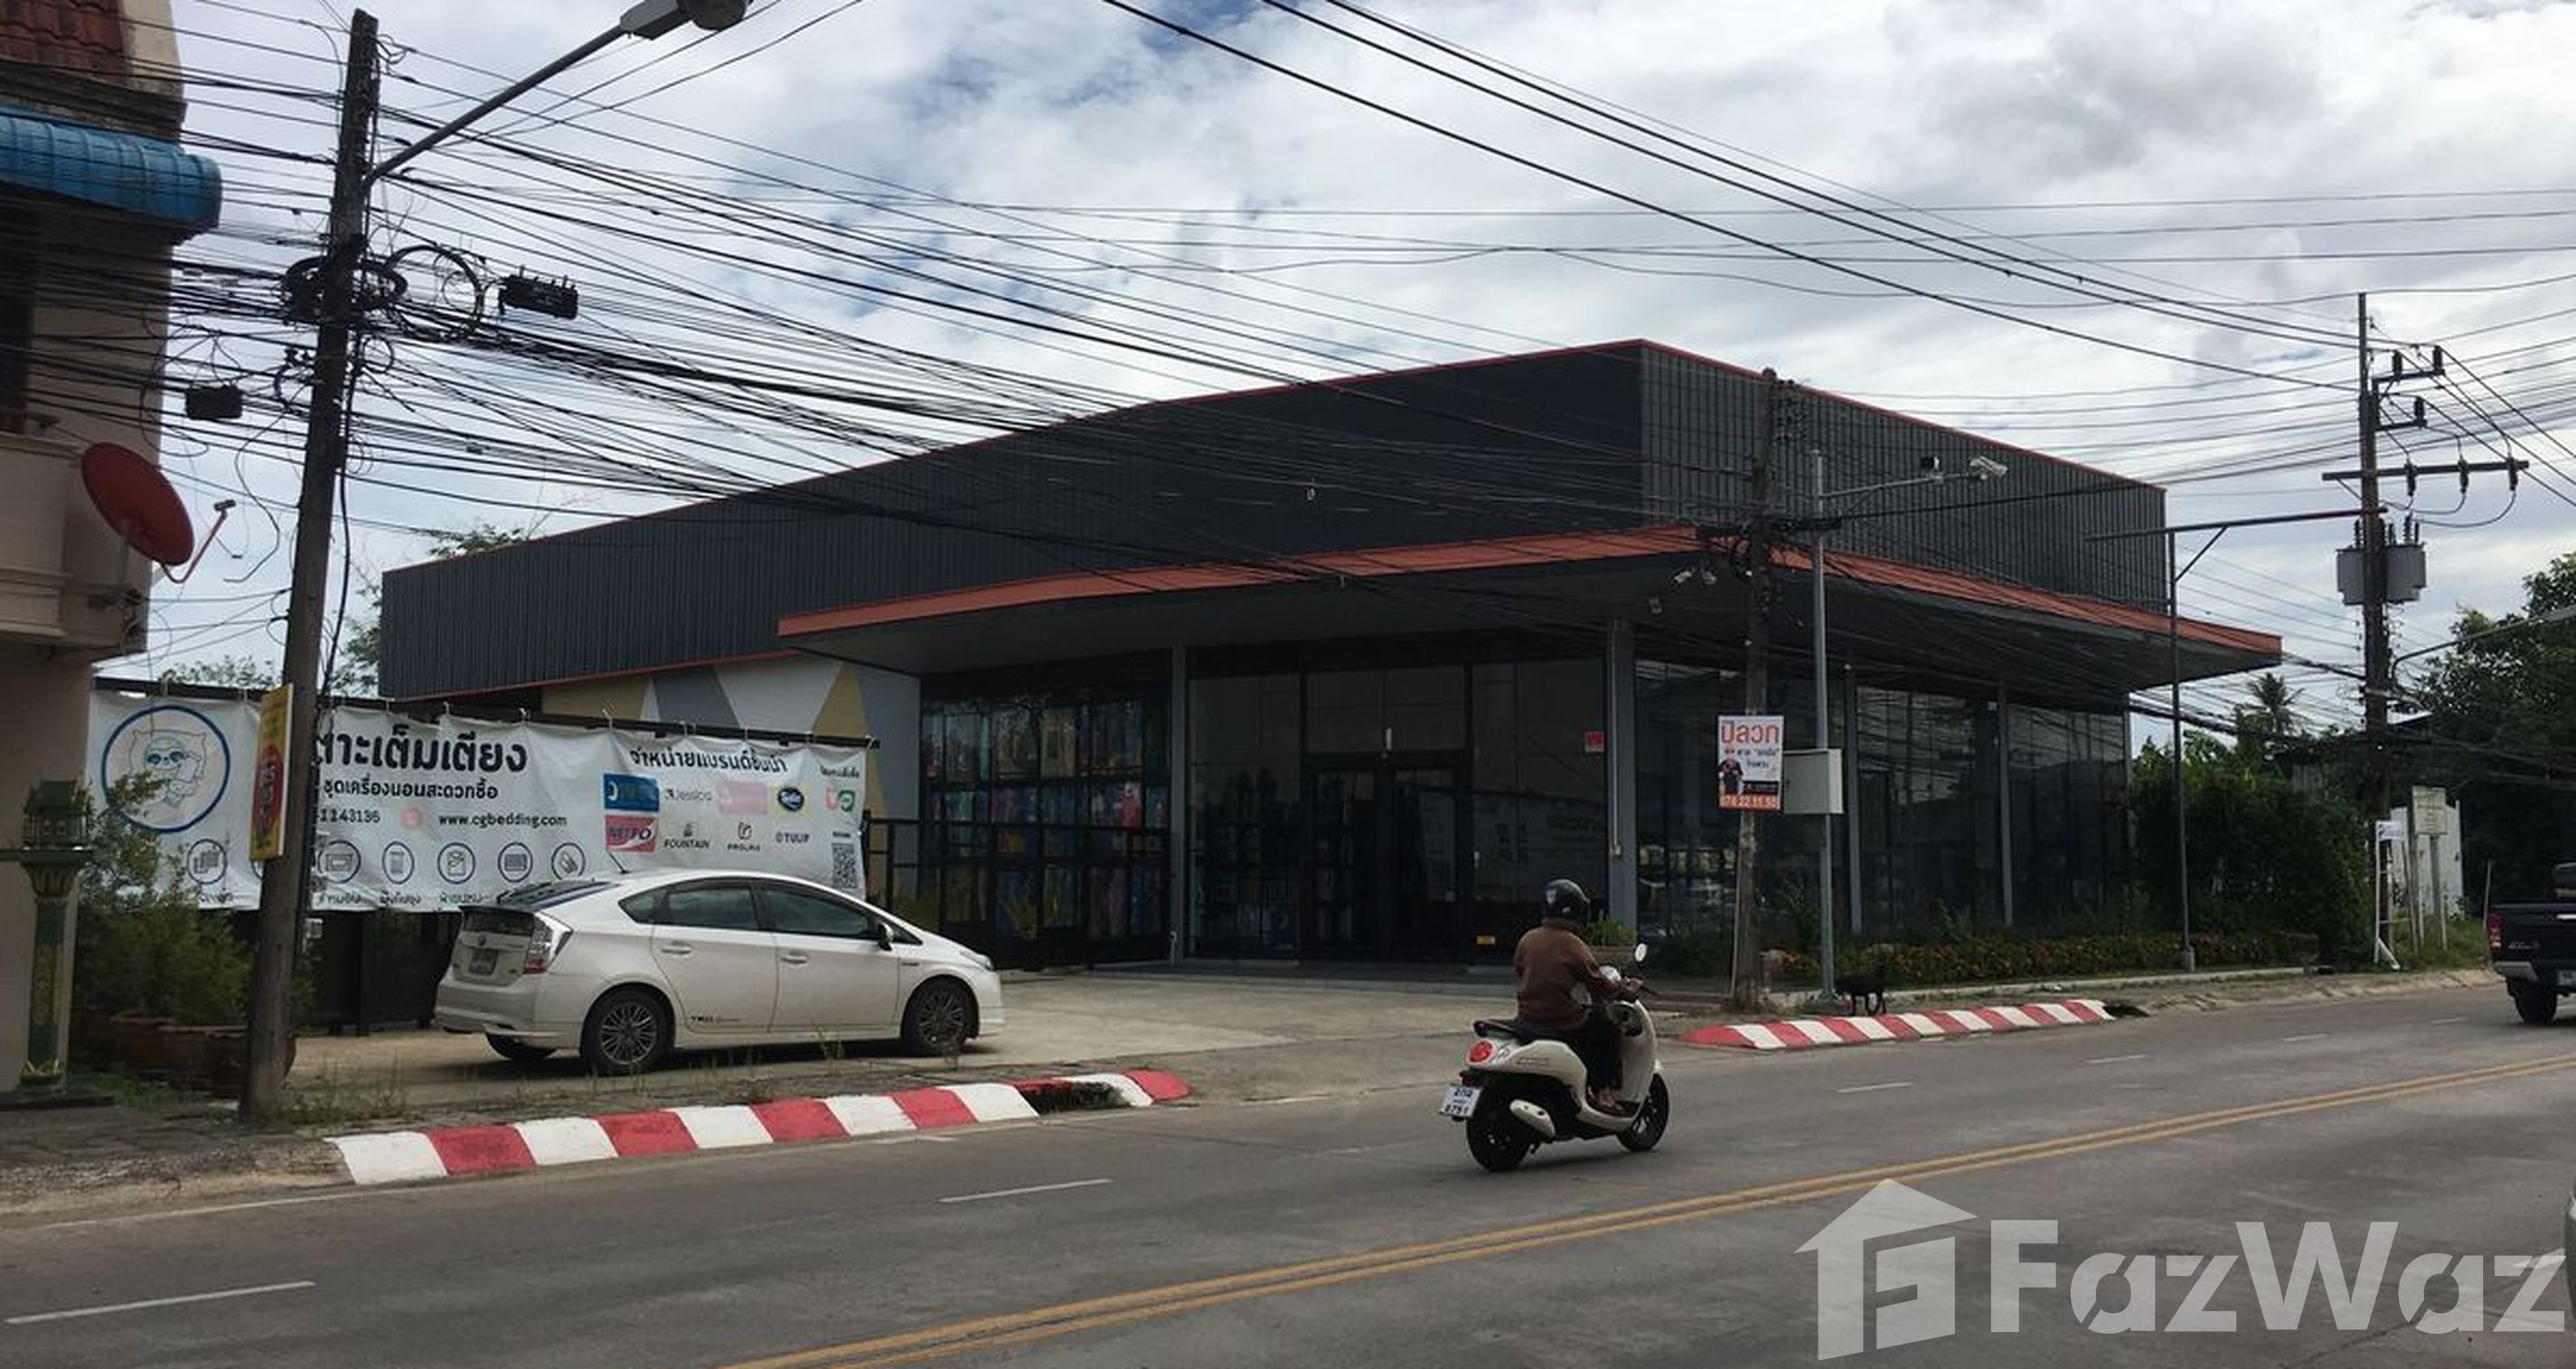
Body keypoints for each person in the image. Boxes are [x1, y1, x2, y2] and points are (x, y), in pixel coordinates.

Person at [1512, 877, 1641, 1114]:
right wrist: (1628, 992)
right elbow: (1598, 983)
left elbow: (1520, 970)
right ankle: (1604, 1094)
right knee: (1607, 1031)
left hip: (1527, 1016)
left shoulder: (1527, 939)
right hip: (1560, 1018)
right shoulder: (1573, 944)